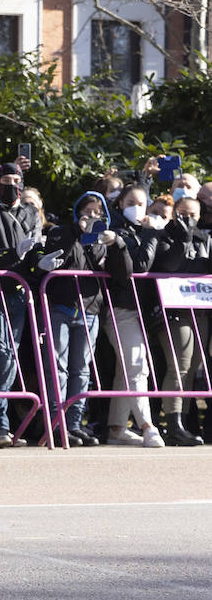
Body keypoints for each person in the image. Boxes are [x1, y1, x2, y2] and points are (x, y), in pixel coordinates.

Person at [0, 162, 43, 448]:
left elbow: (36, 248)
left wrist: (42, 262)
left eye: (16, 179)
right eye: (5, 179)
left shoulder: (29, 212)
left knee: (11, 356)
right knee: (0, 355)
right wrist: (12, 254)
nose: (11, 183)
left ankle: (3, 424)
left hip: (17, 291)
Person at [37, 192, 110, 446]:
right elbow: (59, 258)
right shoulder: (60, 231)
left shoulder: (101, 241)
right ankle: (56, 422)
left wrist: (105, 241)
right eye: (86, 211)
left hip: (89, 311)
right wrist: (75, 232)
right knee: (58, 369)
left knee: (82, 370)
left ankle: (74, 423)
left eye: (96, 212)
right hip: (61, 308)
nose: (91, 216)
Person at [102, 184, 164, 446]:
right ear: (120, 204)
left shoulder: (150, 231)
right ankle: (147, 426)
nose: (137, 208)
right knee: (137, 366)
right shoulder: (115, 231)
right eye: (131, 202)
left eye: (142, 202)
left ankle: (116, 428)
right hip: (121, 307)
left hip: (143, 309)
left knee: (125, 369)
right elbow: (139, 265)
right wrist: (151, 233)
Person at [151, 193, 208, 445]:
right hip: (174, 310)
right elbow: (172, 266)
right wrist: (182, 238)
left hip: (199, 309)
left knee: (193, 365)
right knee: (179, 364)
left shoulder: (204, 238)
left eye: (193, 215)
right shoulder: (164, 236)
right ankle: (173, 423)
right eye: (183, 213)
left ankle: (182, 422)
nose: (188, 219)